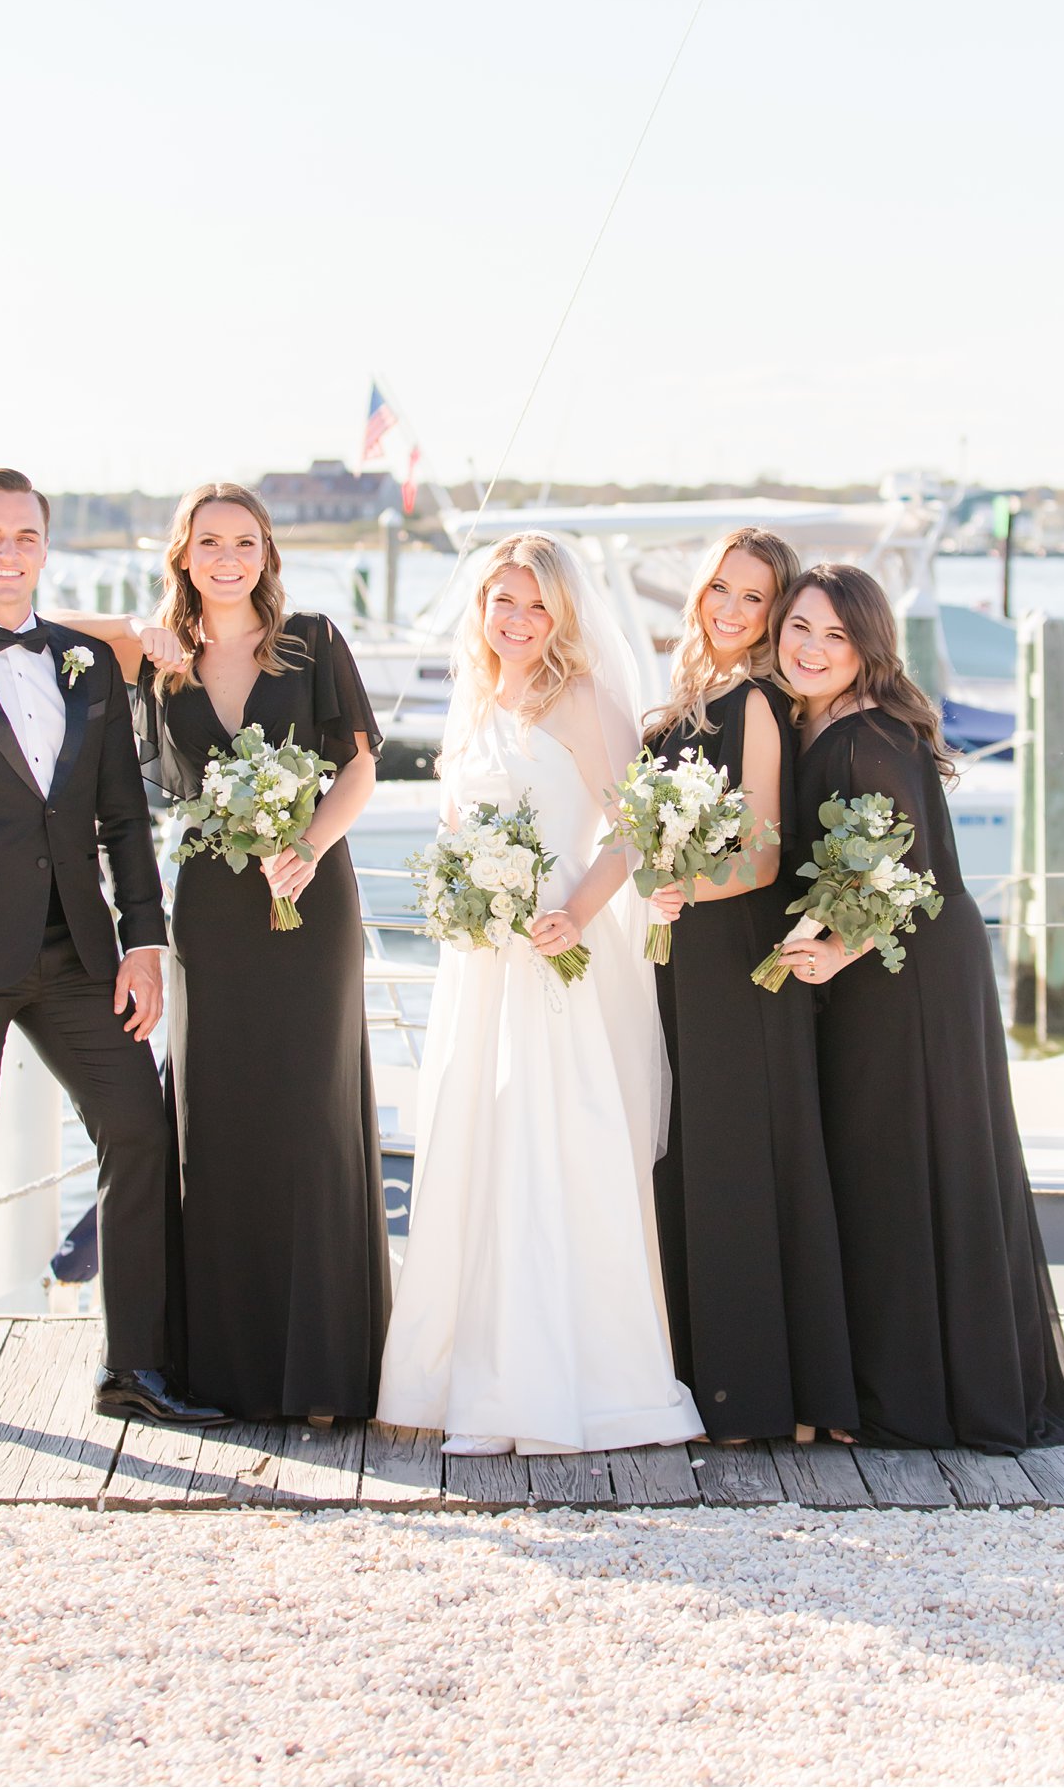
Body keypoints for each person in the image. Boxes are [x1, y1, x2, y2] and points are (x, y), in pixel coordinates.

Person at [0, 468, 223, 1438]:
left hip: (77, 957)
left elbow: (122, 819)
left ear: (43, 549)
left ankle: (132, 1366)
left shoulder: (84, 666)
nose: (7, 552)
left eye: (24, 537)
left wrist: (142, 943)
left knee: (140, 1132)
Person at [52, 482, 389, 1423]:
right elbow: (29, 625)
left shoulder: (313, 641)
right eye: (210, 542)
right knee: (217, 1120)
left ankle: (324, 1374)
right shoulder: (160, 658)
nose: (229, 556)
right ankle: (225, 1373)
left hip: (309, 898)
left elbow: (360, 765)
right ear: (185, 554)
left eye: (246, 540)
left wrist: (312, 845)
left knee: (313, 1116)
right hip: (209, 912)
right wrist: (134, 628)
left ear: (268, 551)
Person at [376, 532, 702, 1456]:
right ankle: (462, 1375)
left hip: (559, 947)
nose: (516, 621)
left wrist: (569, 910)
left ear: (561, 612)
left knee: (552, 1142)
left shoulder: (589, 698)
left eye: (534, 605)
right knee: (476, 1141)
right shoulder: (475, 698)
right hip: (482, 962)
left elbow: (634, 830)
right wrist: (460, 895)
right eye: (501, 603)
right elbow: (454, 827)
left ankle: (569, 1381)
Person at [775, 564, 1064, 1454]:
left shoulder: (868, 733)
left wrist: (841, 945)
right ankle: (903, 1379)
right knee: (883, 1160)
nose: (810, 647)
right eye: (799, 626)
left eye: (834, 636)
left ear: (867, 647)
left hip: (908, 970)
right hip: (885, 963)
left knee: (905, 1161)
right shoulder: (817, 720)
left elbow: (908, 867)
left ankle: (915, 1396)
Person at [647, 529, 858, 1445]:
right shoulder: (687, 696)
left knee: (741, 1162)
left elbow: (766, 854)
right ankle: (709, 1377)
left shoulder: (760, 705)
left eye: (754, 600)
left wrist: (683, 885)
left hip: (738, 952)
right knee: (697, 1154)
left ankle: (763, 1396)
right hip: (685, 956)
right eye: (720, 591)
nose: (731, 611)